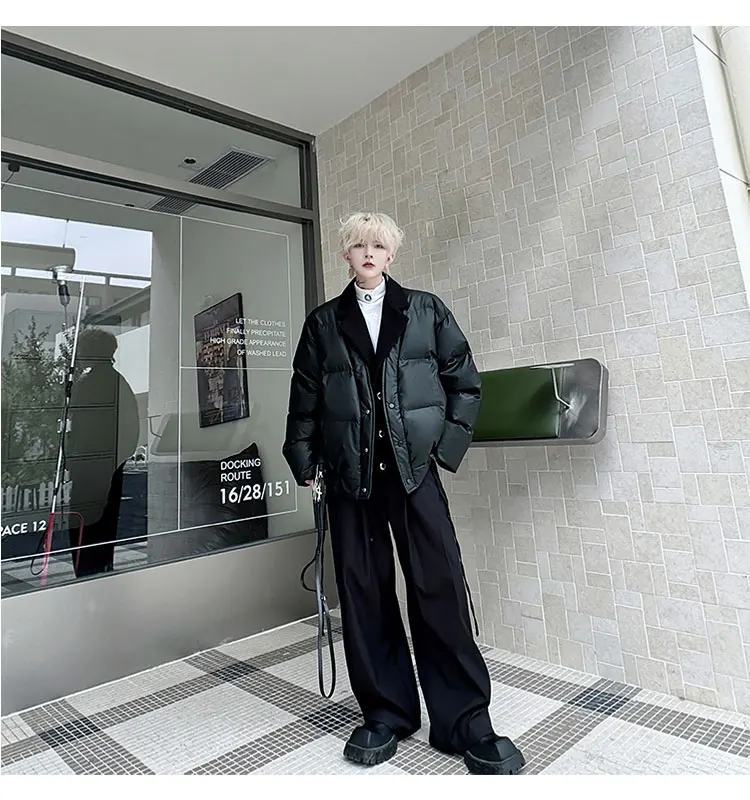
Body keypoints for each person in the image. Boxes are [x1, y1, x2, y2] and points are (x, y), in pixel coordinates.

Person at [283, 212, 525, 775]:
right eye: (358, 245)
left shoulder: (426, 310)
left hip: (414, 474)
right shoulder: (323, 324)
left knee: (438, 586)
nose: (368, 253)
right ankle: (386, 713)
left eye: (379, 245)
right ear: (345, 255)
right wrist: (307, 463)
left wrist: (442, 450)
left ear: (392, 256)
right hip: (350, 479)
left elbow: (464, 380)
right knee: (364, 592)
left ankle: (466, 720)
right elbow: (304, 401)